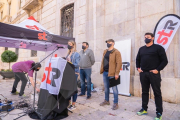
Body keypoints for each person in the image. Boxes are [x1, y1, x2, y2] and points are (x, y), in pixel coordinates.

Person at [136, 33, 168, 120]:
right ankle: (144, 109)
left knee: (157, 93)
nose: (146, 39)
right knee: (144, 92)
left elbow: (164, 61)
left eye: (148, 37)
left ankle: (159, 113)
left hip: (154, 74)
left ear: (153, 38)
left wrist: (157, 69)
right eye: (145, 37)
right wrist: (138, 68)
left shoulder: (158, 48)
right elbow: (137, 59)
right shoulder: (141, 49)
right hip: (143, 73)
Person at [99, 39, 122, 110]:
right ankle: (106, 100)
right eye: (107, 42)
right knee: (106, 88)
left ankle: (115, 103)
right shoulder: (105, 51)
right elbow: (103, 61)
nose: (108, 43)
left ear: (113, 43)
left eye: (109, 42)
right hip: (105, 72)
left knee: (114, 89)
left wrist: (117, 73)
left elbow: (119, 63)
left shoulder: (116, 52)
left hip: (112, 73)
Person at [66, 40, 80, 111]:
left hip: (74, 73)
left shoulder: (76, 54)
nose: (68, 45)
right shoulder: (68, 54)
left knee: (74, 89)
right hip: (68, 73)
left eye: (70, 44)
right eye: (68, 44)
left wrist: (70, 63)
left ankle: (73, 104)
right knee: (68, 89)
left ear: (73, 45)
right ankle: (68, 103)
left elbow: (77, 64)